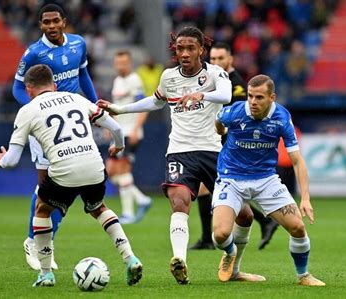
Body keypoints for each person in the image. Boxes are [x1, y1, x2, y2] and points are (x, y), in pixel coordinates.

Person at [98, 26, 259, 284]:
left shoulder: (215, 73)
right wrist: (120, 108)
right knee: (179, 201)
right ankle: (179, 260)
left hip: (214, 151)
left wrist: (200, 94)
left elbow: (226, 95)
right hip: (180, 151)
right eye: (180, 48)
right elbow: (155, 101)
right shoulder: (169, 77)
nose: (184, 53)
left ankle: (232, 258)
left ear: (201, 50)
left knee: (245, 215)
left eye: (190, 48)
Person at [0, 64, 143, 288]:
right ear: (54, 84)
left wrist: (0, 160)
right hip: (94, 166)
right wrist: (117, 147)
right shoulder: (76, 99)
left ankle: (45, 274)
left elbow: (11, 160)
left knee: (42, 208)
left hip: (64, 170)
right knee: (98, 207)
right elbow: (116, 129)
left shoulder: (27, 110)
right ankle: (131, 258)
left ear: (29, 89)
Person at [212, 74, 325, 286]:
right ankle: (230, 253)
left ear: (272, 97)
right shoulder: (235, 111)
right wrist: (221, 131)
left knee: (298, 227)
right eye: (250, 96)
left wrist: (306, 198)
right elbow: (218, 120)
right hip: (231, 179)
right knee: (220, 235)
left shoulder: (282, 118)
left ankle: (304, 275)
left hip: (266, 180)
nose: (253, 102)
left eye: (259, 98)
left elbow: (298, 161)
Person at [11, 3, 98, 271]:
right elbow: (17, 87)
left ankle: (42, 242)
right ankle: (32, 240)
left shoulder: (79, 44)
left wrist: (94, 107)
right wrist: (33, 110)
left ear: (64, 22)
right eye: (45, 22)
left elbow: (83, 75)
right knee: (49, 186)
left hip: (73, 122)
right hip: (46, 127)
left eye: (54, 21)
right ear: (40, 25)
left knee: (65, 188)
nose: (50, 26)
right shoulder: (33, 53)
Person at [189, 42, 279, 251]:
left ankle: (210, 238)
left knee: (218, 189)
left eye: (221, 58)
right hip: (213, 139)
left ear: (230, 59)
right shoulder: (210, 79)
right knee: (206, 188)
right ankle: (208, 237)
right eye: (213, 59)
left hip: (228, 145)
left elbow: (238, 119)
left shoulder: (237, 85)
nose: (217, 62)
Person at [109, 49, 152, 224]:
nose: (121, 66)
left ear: (130, 63)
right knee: (112, 171)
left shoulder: (134, 80)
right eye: (118, 63)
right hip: (119, 132)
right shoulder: (117, 81)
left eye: (124, 63)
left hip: (130, 132)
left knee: (122, 170)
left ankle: (127, 212)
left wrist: (136, 129)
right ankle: (142, 199)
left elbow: (144, 106)